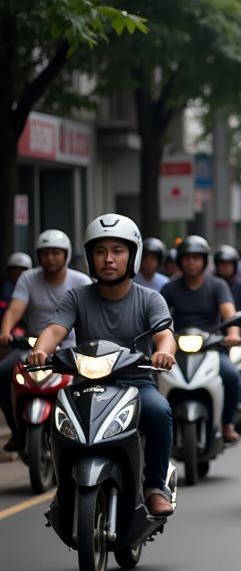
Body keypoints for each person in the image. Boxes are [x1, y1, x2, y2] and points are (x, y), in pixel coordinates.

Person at [27, 215, 176, 516]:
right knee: (59, 420)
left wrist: (164, 353)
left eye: (118, 251)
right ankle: (64, 490)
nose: (109, 259)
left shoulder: (150, 299)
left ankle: (155, 486)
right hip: (87, 386)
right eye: (100, 251)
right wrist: (40, 351)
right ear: (90, 258)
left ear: (132, 255)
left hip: (136, 384)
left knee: (159, 412)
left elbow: (165, 335)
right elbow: (56, 329)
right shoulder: (77, 297)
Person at [0, 231, 91, 450]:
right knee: (4, 372)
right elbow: (15, 309)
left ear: (66, 255)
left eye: (55, 253)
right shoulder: (28, 278)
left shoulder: (81, 281)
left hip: (71, 346)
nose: (50, 258)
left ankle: (84, 432)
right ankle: (17, 430)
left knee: (88, 382)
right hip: (33, 346)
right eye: (45, 253)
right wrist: (5, 331)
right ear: (38, 256)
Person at [160, 236, 241, 444]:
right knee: (153, 380)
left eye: (196, 258)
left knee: (231, 376)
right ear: (179, 261)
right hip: (176, 349)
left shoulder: (217, 285)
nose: (191, 262)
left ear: (205, 261)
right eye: (187, 258)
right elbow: (158, 317)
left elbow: (228, 313)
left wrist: (233, 333)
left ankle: (226, 423)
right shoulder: (170, 288)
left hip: (211, 347)